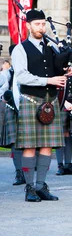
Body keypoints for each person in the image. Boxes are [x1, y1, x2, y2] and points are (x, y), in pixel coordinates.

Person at [12, 9, 72, 202]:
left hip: (50, 101)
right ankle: (30, 188)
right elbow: (21, 76)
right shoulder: (20, 49)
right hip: (31, 101)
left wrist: (67, 71)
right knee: (30, 146)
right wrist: (48, 81)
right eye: (37, 24)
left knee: (47, 145)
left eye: (42, 24)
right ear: (28, 26)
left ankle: (41, 186)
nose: (41, 27)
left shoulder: (50, 47)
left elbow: (58, 69)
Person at [0, 54, 25, 186]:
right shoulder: (7, 73)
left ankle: (31, 169)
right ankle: (19, 173)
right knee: (15, 142)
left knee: (33, 141)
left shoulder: (29, 70)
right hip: (12, 109)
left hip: (29, 107)